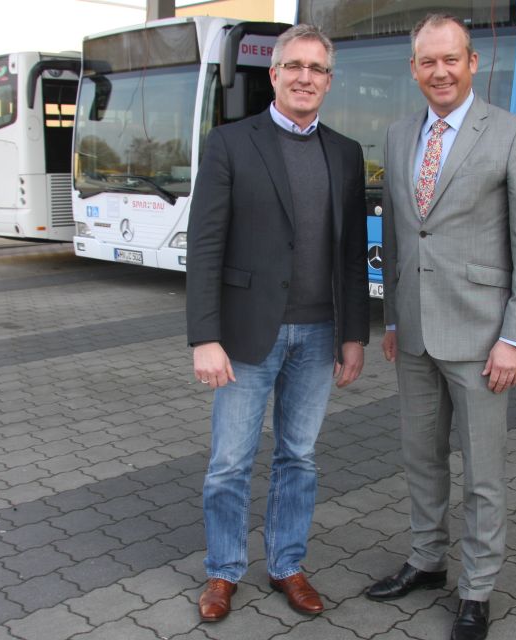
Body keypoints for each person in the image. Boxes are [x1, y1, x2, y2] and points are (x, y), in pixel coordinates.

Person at [365, 13, 516, 640]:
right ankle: (426, 560)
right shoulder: (396, 138)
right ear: (414, 68)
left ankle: (476, 591)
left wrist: (515, 336)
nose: (439, 71)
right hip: (415, 331)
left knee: (483, 471)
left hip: (481, 338)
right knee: (421, 459)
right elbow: (398, 236)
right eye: (427, 61)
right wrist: (392, 318)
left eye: (451, 59)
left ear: (472, 63)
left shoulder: (512, 135)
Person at [185, 24, 370, 623]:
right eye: (294, 66)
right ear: (274, 74)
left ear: (329, 81)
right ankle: (223, 570)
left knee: (299, 457)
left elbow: (351, 252)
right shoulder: (231, 143)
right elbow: (205, 243)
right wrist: (204, 337)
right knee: (230, 462)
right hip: (244, 334)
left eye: (317, 70)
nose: (305, 78)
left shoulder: (344, 153)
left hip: (319, 335)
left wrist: (354, 335)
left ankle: (287, 563)